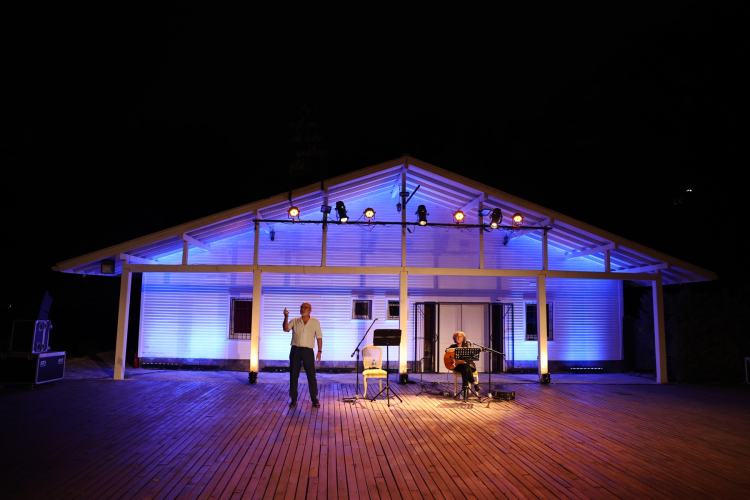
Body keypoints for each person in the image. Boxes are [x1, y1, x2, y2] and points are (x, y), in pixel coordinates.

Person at [283, 302, 323, 409]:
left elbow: (319, 337)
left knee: (311, 375)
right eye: (302, 307)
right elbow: (286, 329)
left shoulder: (315, 322)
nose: (303, 309)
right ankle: (293, 399)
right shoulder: (295, 321)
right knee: (293, 375)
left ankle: (314, 399)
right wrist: (286, 317)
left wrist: (319, 351)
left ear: (310, 310)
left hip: (308, 351)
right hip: (295, 350)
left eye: (305, 307)